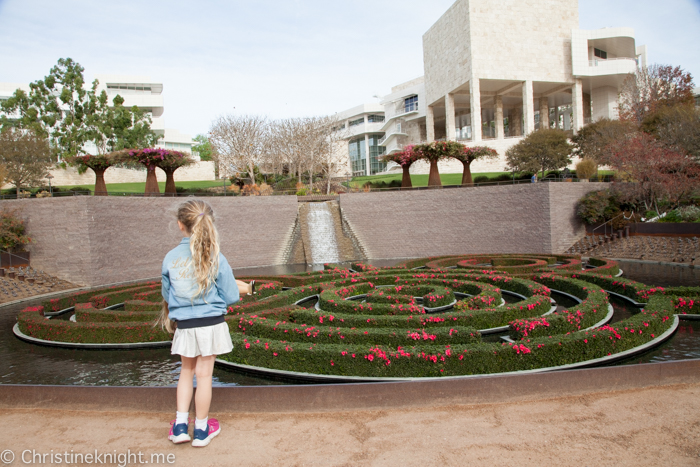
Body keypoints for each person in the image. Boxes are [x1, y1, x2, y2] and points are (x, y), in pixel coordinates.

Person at [157, 199, 242, 447]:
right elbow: (232, 295)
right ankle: (202, 430)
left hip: (185, 325)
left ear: (180, 225)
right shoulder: (215, 255)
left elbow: (167, 293)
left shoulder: (170, 257)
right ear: (208, 223)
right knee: (204, 376)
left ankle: (181, 426)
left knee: (186, 372)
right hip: (212, 323)